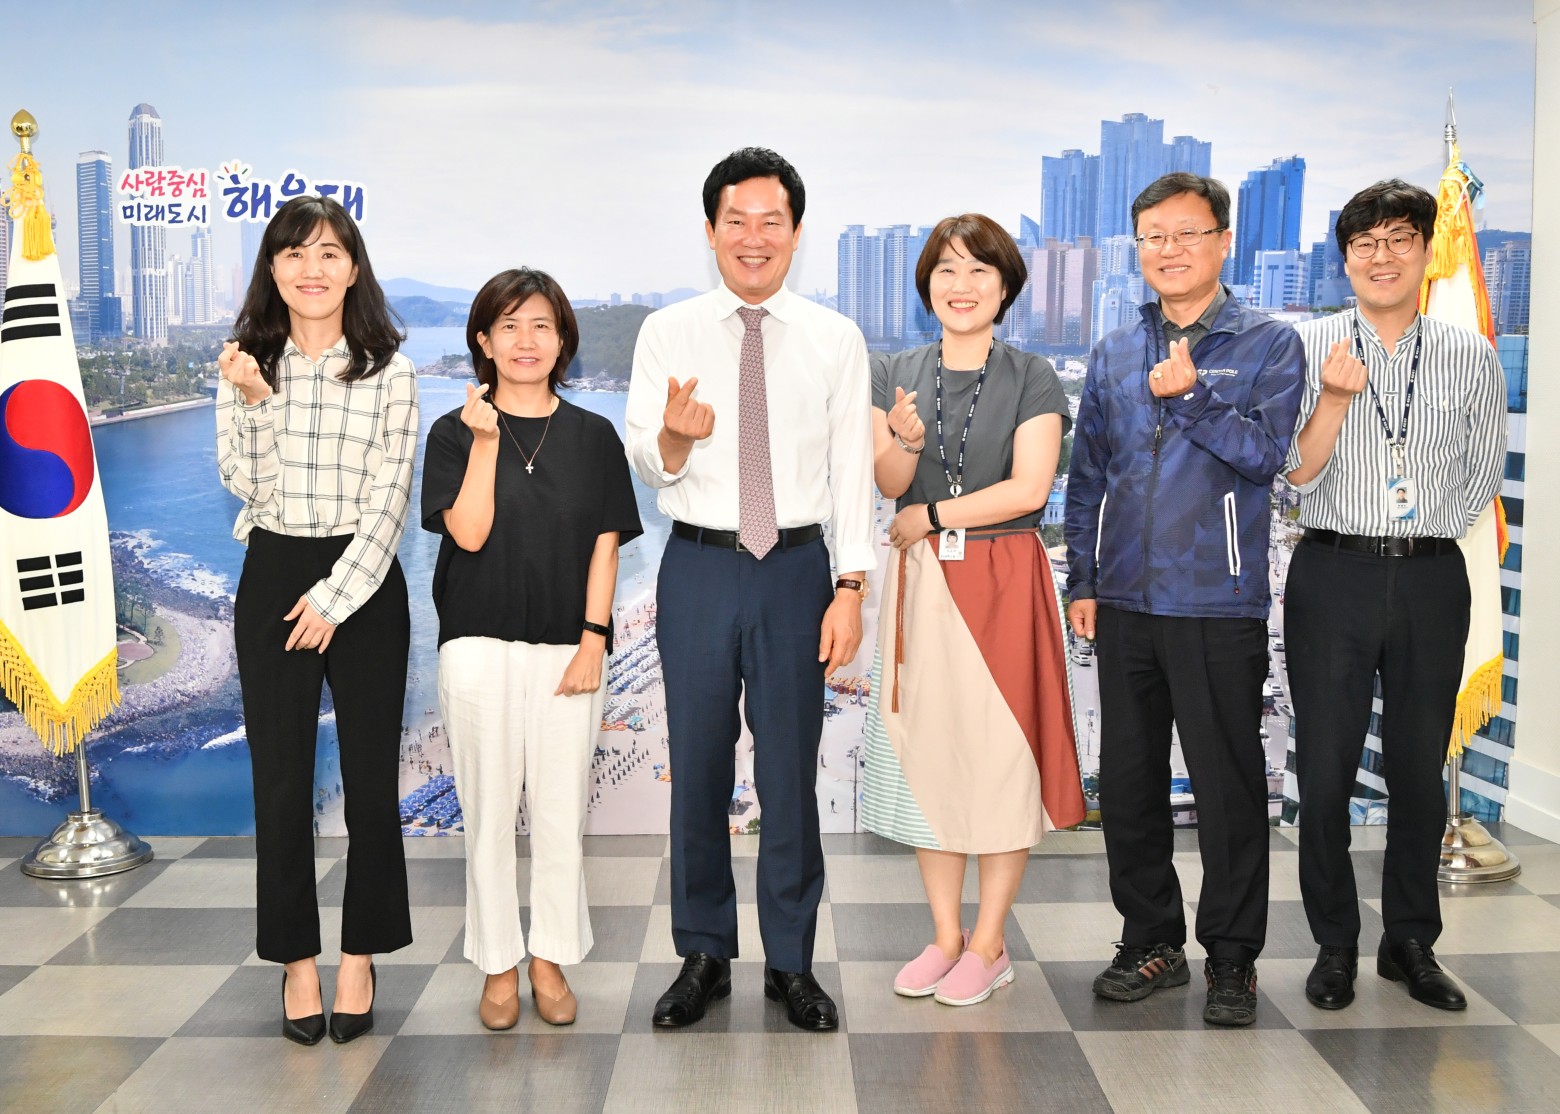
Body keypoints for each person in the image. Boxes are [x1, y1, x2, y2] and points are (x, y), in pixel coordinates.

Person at [624, 147, 875, 1031]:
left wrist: (851, 586)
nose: (754, 237)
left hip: (798, 571)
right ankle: (702, 954)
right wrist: (677, 438)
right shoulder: (668, 332)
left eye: (772, 221)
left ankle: (792, 963)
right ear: (711, 231)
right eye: (737, 220)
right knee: (696, 765)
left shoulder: (836, 339)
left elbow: (853, 472)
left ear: (796, 234)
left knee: (789, 772)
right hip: (698, 564)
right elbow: (649, 459)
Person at [1064, 172, 1305, 1027]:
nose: (1170, 250)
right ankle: (1151, 941)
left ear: (1223, 241)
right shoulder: (1114, 350)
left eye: (1188, 233)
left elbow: (1268, 457)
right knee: (1129, 786)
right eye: (1154, 237)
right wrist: (1083, 578)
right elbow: (1087, 475)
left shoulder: (1269, 343)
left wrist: (1193, 397)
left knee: (1227, 789)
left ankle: (1233, 959)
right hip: (1126, 602)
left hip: (1217, 602)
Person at [1283, 180, 1505, 1012]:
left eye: (1399, 238)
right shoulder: (1305, 347)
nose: (1382, 256)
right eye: (1365, 242)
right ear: (1345, 258)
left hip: (1431, 576)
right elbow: (1292, 474)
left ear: (1425, 251)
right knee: (1326, 773)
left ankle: (1410, 942)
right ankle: (1334, 944)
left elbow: (1483, 472)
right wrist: (1335, 401)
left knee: (1417, 771)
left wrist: (1424, 529)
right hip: (1332, 571)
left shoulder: (1469, 355)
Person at [862, 213, 1083, 1007]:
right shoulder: (893, 371)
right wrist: (905, 444)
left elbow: (1030, 489)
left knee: (1000, 759)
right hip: (922, 583)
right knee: (929, 755)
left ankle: (989, 944)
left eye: (979, 271)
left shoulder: (1033, 375)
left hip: (1003, 577)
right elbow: (888, 483)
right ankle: (945, 937)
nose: (962, 286)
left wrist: (932, 514)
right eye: (947, 270)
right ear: (927, 285)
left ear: (1006, 286)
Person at [216, 195, 417, 1045]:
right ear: (273, 268)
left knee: (370, 785)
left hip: (363, 581)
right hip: (273, 573)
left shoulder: (391, 370)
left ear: (354, 268)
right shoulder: (242, 364)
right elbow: (244, 485)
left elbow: (390, 500)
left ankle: (360, 957)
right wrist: (257, 399)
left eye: (330, 252)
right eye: (295, 253)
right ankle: (297, 962)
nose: (312, 268)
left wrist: (336, 598)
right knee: (280, 782)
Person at [421, 267, 643, 1029]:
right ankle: (497, 966)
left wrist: (594, 640)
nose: (526, 340)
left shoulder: (593, 436)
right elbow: (468, 533)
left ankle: (549, 958)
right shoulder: (451, 433)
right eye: (509, 326)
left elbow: (606, 546)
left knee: (558, 815)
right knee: (486, 817)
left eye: (541, 325)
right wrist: (485, 442)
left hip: (567, 651)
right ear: (483, 341)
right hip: (475, 647)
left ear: (562, 341)